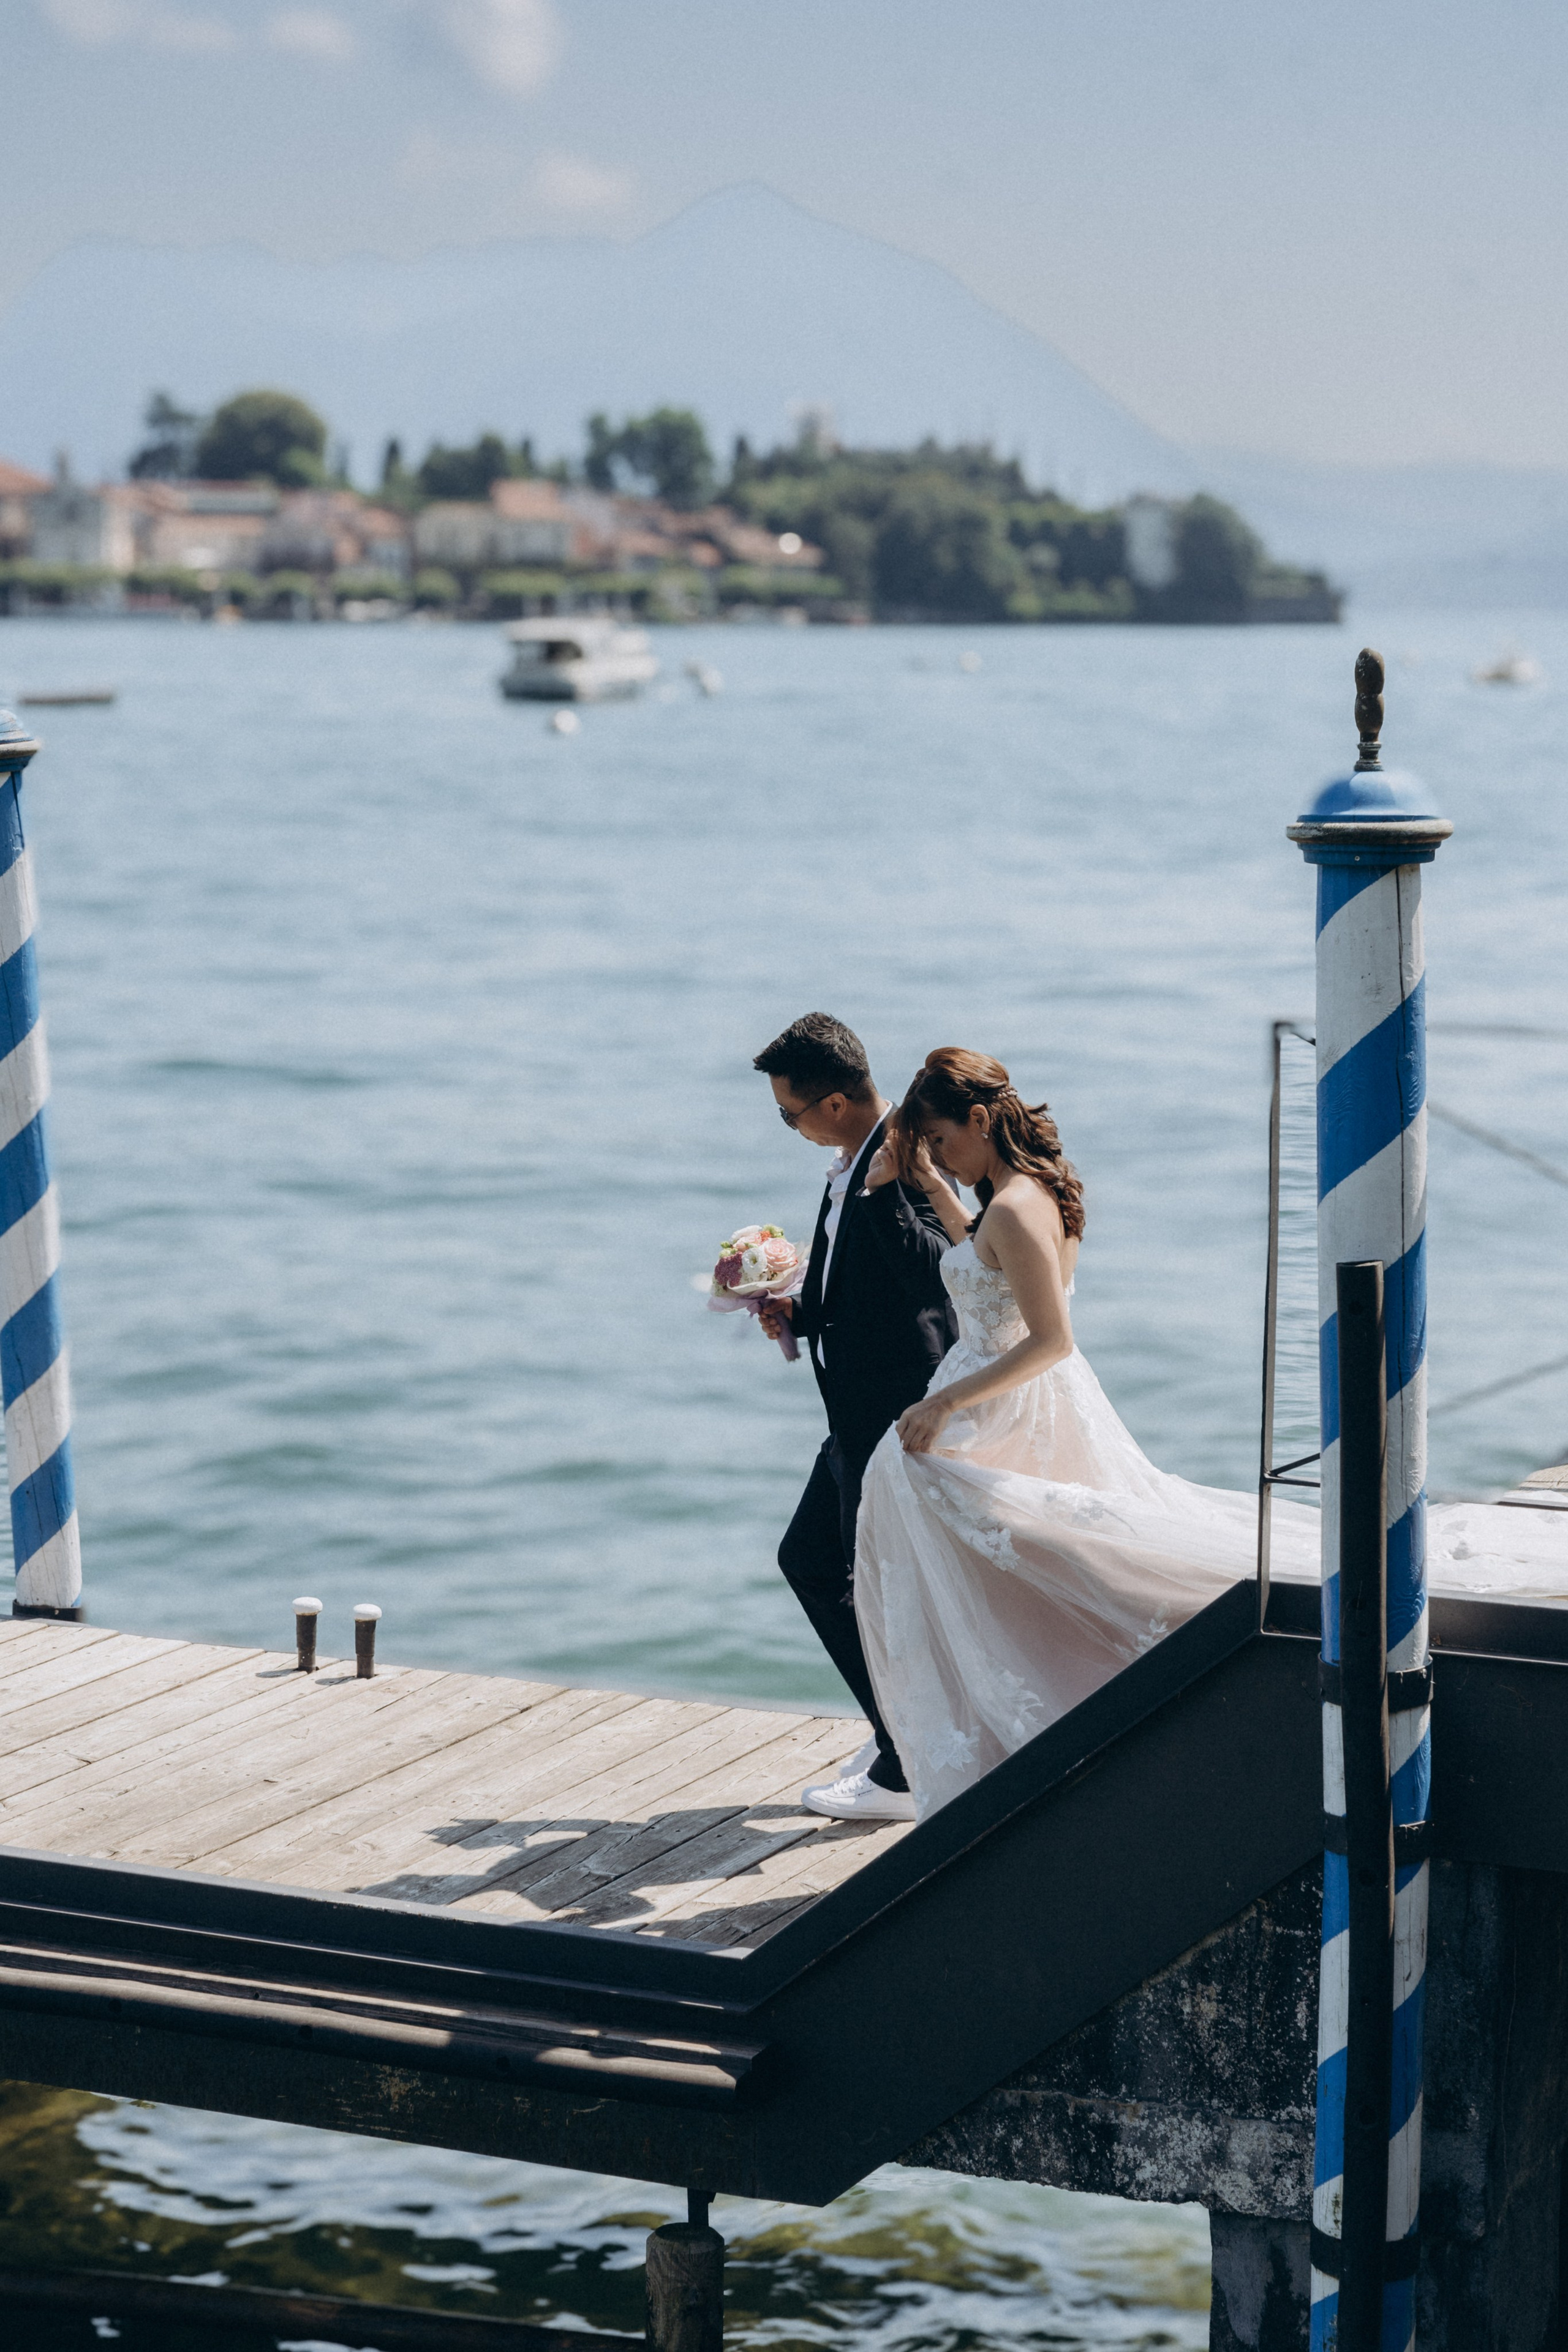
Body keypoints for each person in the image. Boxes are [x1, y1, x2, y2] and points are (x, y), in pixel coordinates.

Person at [853, 1047, 1306, 1822]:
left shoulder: (1019, 1206)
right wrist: (931, 1188)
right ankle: (1007, 1725)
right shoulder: (1011, 1199)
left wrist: (944, 1405)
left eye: (941, 1140)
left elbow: (1048, 1339)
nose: (937, 1157)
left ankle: (1024, 1720)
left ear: (981, 1117)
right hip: (1009, 1390)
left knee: (1037, 1546)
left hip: (1012, 1399)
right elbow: (985, 1267)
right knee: (1027, 1557)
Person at [752, 1013, 957, 1820]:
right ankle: (897, 1735)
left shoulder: (903, 1162)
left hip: (892, 1419)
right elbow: (857, 1289)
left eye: (788, 1114)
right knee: (822, 1567)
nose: (788, 1128)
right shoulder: (853, 1160)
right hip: (854, 1417)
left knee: (850, 1580)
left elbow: (934, 1276)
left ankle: (905, 1765)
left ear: (834, 1103)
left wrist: (881, 1195)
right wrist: (799, 1313)